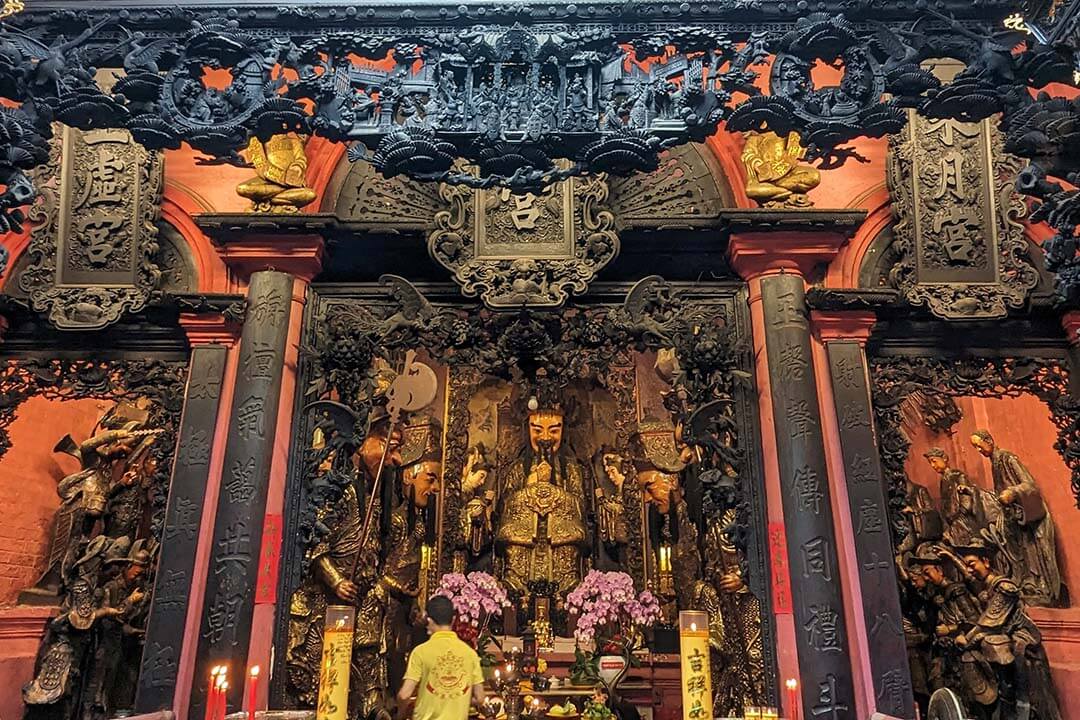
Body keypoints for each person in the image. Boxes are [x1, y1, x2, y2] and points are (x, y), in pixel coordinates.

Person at [397, 595, 486, 720]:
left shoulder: (421, 652)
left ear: (429, 620)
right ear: (453, 619)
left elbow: (404, 695)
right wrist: (456, 700)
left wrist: (400, 714)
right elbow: (480, 698)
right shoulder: (469, 653)